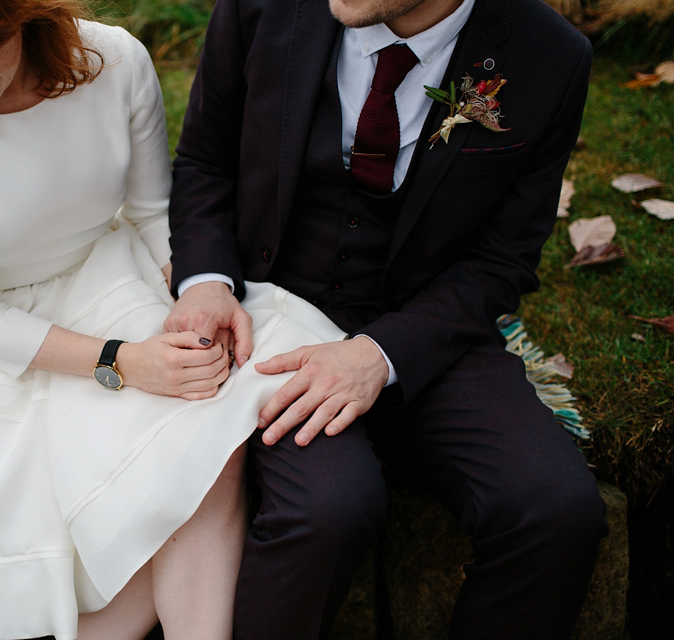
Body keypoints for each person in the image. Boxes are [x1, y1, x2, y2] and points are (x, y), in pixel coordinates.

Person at [0, 1, 348, 639]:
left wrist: (191, 297)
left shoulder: (114, 61)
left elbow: (155, 211)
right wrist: (126, 364)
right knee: (71, 505)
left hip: (108, 275)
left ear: (18, 16)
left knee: (209, 443)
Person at [167, 0, 609, 638]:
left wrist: (379, 354)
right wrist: (206, 281)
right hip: (271, 320)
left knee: (555, 511)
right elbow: (205, 163)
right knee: (327, 510)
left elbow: (500, 262)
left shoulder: (551, 56)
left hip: (426, 325)